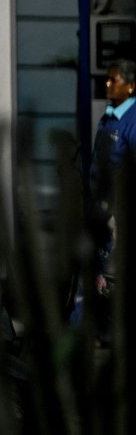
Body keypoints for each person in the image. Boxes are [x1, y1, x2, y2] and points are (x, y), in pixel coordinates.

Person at [89, 58, 136, 294]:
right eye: (106, 79)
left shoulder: (133, 121)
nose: (107, 84)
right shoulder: (108, 118)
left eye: (113, 80)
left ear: (130, 86)